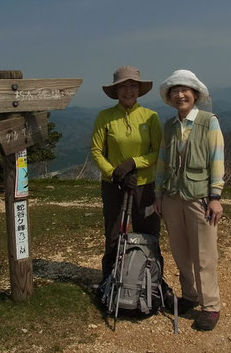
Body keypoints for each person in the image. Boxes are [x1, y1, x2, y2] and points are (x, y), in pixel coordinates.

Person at [154, 69, 225, 331]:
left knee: (205, 254)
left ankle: (211, 306)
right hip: (172, 196)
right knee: (181, 251)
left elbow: (217, 159)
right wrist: (159, 194)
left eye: (185, 90)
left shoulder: (209, 122)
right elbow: (162, 162)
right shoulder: (169, 125)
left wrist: (216, 196)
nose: (180, 95)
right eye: (175, 91)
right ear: (170, 97)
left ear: (195, 94)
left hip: (200, 198)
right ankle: (191, 295)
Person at [91, 65, 164, 293]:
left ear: (139, 90)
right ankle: (109, 281)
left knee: (149, 233)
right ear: (116, 91)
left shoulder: (151, 117)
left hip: (145, 186)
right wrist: (115, 173)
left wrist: (133, 163)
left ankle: (152, 280)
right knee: (113, 234)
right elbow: (96, 150)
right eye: (123, 87)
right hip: (113, 186)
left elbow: (157, 152)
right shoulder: (105, 117)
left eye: (133, 86)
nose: (128, 91)